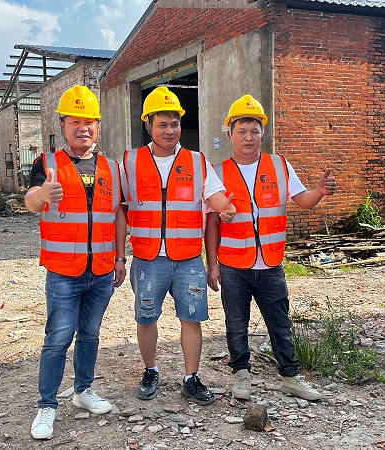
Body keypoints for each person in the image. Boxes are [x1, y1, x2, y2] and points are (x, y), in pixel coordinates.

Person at [204, 94, 337, 401]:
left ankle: (290, 376)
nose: (248, 137)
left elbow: (302, 200)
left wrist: (319, 191)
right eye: (241, 131)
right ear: (230, 134)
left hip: (271, 264)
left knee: (280, 323)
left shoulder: (279, 165)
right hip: (233, 265)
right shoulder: (217, 172)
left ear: (262, 133)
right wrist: (212, 264)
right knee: (236, 324)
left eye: (254, 131)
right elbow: (211, 223)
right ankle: (242, 374)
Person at [121, 86, 236, 406]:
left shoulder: (197, 162)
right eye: (162, 124)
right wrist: (117, 256)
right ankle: (150, 371)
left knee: (191, 318)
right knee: (146, 317)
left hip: (188, 259)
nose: (170, 130)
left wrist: (225, 208)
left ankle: (191, 378)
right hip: (148, 258)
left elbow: (215, 196)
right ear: (148, 125)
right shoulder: (130, 161)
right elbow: (118, 205)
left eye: (175, 124)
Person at [25, 85, 127, 440]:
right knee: (58, 338)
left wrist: (120, 258)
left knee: (91, 334)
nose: (83, 128)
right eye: (75, 122)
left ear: (97, 126)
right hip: (64, 272)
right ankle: (47, 406)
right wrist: (42, 194)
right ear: (63, 125)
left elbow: (117, 216)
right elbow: (31, 202)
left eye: (89, 122)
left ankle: (83, 391)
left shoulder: (112, 168)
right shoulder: (47, 164)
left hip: (101, 270)